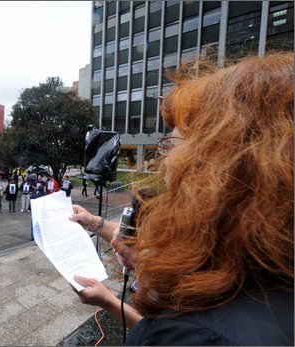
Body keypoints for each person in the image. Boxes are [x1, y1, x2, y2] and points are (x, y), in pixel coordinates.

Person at [69, 53, 294, 345]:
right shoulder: (261, 274)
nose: (163, 163)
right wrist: (97, 227)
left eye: (172, 144)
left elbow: (167, 331)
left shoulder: (197, 334)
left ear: (226, 166)